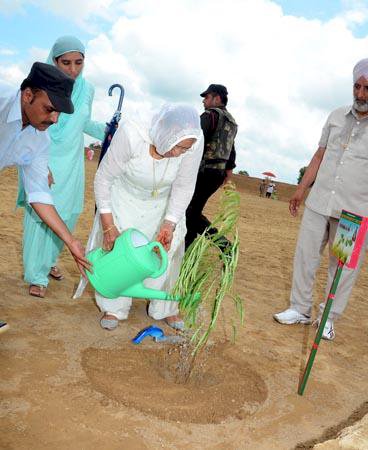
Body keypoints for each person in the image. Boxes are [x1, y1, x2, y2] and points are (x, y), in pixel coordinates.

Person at [74, 104, 203, 330]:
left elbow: (184, 186)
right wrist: (108, 225)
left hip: (163, 204)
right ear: (165, 133)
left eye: (184, 150)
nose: (178, 153)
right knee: (119, 254)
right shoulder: (132, 132)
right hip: (125, 198)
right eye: (177, 147)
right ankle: (114, 308)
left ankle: (166, 308)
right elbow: (103, 178)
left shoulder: (193, 141)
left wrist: (169, 224)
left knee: (167, 255)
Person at [273, 58, 368, 341]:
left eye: (367, 88)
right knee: (305, 256)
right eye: (357, 86)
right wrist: (302, 188)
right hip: (319, 201)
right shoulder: (336, 116)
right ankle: (299, 309)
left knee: (342, 268)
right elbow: (319, 155)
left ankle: (327, 317)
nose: (361, 94)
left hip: (354, 211)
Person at [0, 61, 90, 331]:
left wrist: (71, 241)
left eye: (59, 113)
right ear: (28, 95)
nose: (54, 119)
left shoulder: (40, 139)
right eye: (50, 109)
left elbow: (39, 195)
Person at [19, 36, 105, 298]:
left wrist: (110, 130)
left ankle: (50, 261)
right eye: (65, 62)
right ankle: (36, 274)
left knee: (65, 214)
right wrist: (38, 164)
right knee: (39, 216)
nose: (72, 69)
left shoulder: (87, 89)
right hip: (42, 155)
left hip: (71, 162)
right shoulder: (38, 87)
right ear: (53, 60)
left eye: (78, 62)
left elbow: (84, 122)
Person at [185, 84, 237, 249]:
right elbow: (231, 150)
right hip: (217, 175)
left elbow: (195, 140)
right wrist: (228, 176)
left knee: (189, 212)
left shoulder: (210, 116)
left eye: (207, 97)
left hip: (203, 171)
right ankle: (187, 246)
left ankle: (224, 245)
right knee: (193, 211)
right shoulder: (231, 122)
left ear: (217, 98)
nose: (203, 101)